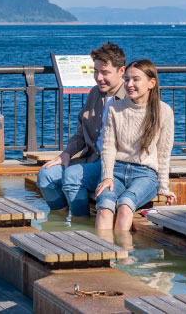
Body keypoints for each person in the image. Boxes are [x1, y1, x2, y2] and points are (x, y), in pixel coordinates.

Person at [37, 42, 127, 216]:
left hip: (114, 165)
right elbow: (81, 132)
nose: (99, 77)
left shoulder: (129, 98)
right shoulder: (95, 93)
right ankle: (60, 222)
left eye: (105, 72)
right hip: (90, 158)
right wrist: (66, 153)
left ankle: (81, 224)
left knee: (72, 176)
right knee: (45, 176)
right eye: (96, 71)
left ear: (121, 71)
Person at [95, 59, 177, 231]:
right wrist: (107, 176)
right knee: (105, 208)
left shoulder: (164, 111)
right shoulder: (115, 108)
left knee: (125, 206)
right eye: (126, 79)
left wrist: (164, 187)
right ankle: (104, 254)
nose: (129, 84)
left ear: (151, 83)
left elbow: (163, 152)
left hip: (145, 174)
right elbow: (108, 146)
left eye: (136, 79)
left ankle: (124, 256)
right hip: (116, 170)